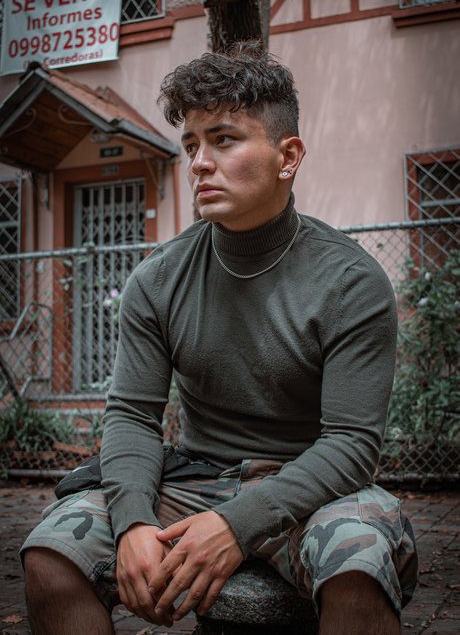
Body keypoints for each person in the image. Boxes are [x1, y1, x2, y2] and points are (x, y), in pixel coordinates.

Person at [22, 41, 417, 635]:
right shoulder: (159, 278)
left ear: (288, 157)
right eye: (191, 145)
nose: (200, 163)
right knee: (50, 556)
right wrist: (133, 522)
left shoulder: (350, 281)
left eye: (224, 140)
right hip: (192, 482)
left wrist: (238, 523)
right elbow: (132, 416)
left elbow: (352, 445)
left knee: (357, 568)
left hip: (311, 490)